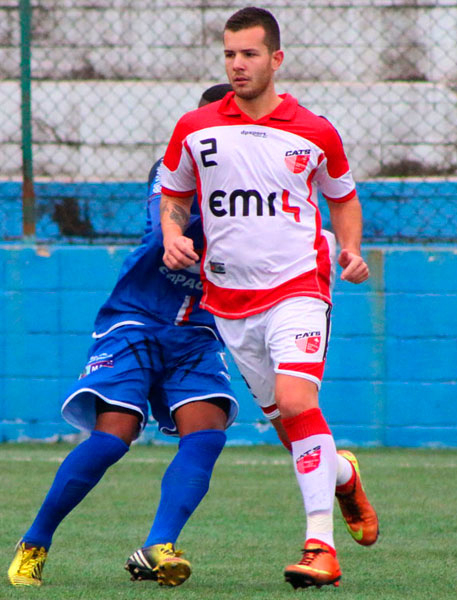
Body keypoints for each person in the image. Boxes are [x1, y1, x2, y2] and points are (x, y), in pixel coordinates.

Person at [158, 7, 376, 589]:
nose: (237, 65)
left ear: (275, 59)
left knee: (296, 400)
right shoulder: (194, 126)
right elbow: (175, 192)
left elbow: (344, 198)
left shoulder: (314, 129)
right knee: (289, 424)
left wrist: (350, 250)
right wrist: (176, 233)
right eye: (229, 54)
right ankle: (343, 477)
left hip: (299, 287)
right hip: (229, 302)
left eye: (249, 54)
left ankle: (319, 547)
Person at [8, 83, 239, 589]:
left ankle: (158, 545)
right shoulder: (173, 165)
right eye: (209, 125)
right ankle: (35, 541)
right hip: (135, 320)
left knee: (208, 433)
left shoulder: (258, 183)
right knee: (114, 438)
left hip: (197, 330)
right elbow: (164, 233)